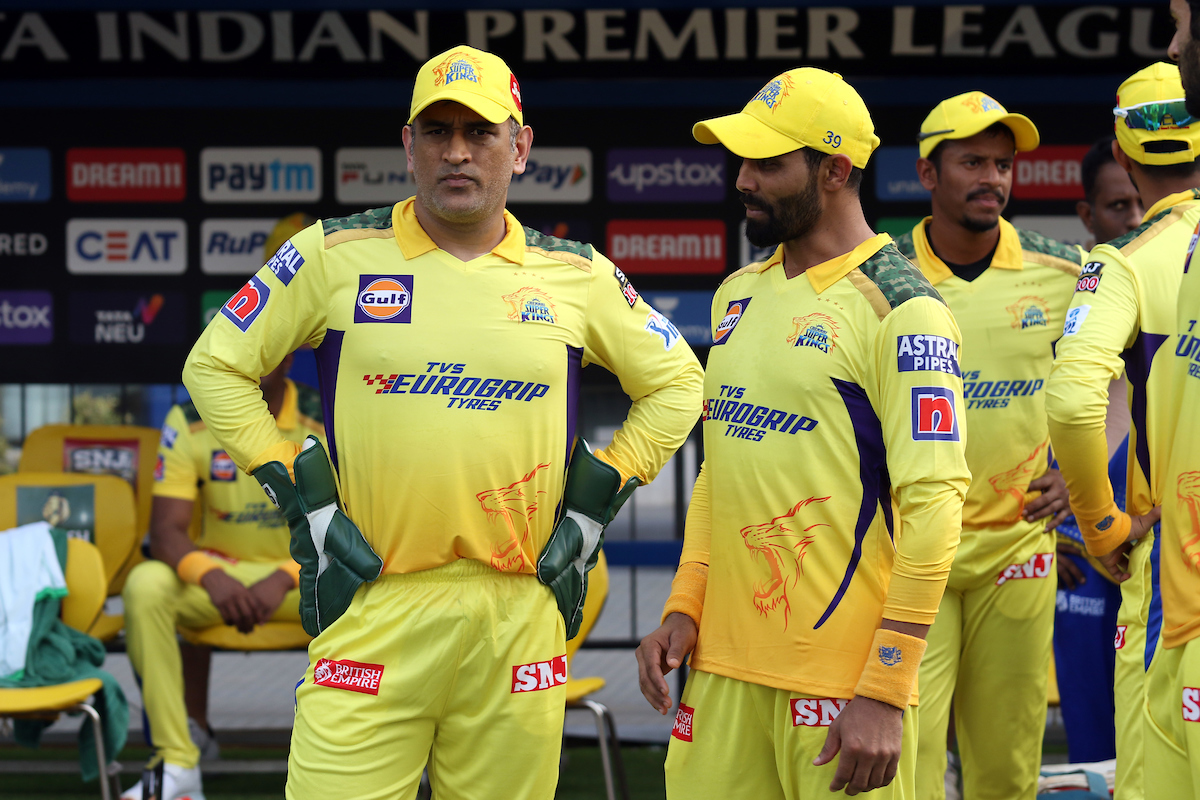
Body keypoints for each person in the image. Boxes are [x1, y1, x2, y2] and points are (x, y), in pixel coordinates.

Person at [182, 45, 703, 800]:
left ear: (519, 147)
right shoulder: (330, 254)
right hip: (374, 599)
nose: (457, 151)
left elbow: (679, 382)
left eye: (481, 132)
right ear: (409, 145)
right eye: (437, 131)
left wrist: (604, 494)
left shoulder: (578, 273)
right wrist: (296, 488)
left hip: (519, 610)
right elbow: (214, 365)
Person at [635, 67, 969, 799]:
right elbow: (720, 474)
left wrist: (885, 685)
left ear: (835, 170)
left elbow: (937, 506)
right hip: (720, 676)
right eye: (742, 161)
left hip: (842, 691)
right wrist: (684, 606)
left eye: (768, 163)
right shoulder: (737, 293)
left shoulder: (903, 309)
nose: (743, 180)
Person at [890, 92, 1082, 800]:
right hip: (912, 549)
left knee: (1007, 767)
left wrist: (1086, 471)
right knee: (907, 764)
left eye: (1002, 164)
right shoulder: (881, 277)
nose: (992, 178)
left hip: (1017, 546)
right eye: (972, 162)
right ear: (927, 173)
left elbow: (1129, 369)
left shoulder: (1065, 273)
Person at [1046, 61, 1200, 800]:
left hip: (1177, 571)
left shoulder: (1125, 263)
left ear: (1122, 148)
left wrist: (1100, 525)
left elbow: (1074, 402)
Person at [120, 352, 321, 800]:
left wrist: (285, 576)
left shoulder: (323, 414)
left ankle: (364, 751)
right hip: (221, 584)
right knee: (146, 586)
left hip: (306, 582)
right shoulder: (191, 418)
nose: (245, 366)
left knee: (381, 588)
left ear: (287, 360)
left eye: (261, 355)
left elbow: (353, 524)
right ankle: (177, 761)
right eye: (235, 355)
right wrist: (212, 576)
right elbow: (165, 531)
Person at [1049, 136, 1143, 769]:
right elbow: (1028, 411)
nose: (1135, 217)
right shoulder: (1064, 295)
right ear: (1087, 214)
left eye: (1139, 202)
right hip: (1080, 551)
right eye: (1117, 206)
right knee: (1093, 745)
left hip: (1158, 544)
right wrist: (1052, 522)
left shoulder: (1179, 280)